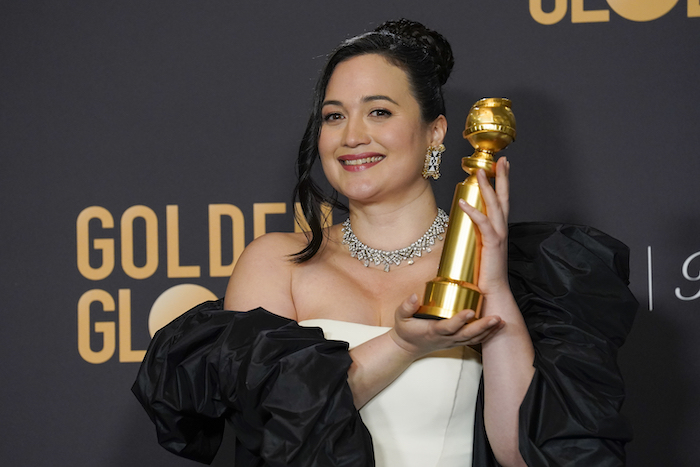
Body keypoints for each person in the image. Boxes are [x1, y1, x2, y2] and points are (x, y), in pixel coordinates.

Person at [133, 19, 637, 467]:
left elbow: (523, 453)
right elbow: (270, 428)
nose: (352, 135)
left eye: (378, 112)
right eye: (334, 116)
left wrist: (497, 287)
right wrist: (401, 345)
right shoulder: (276, 263)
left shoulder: (513, 270)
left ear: (434, 132)